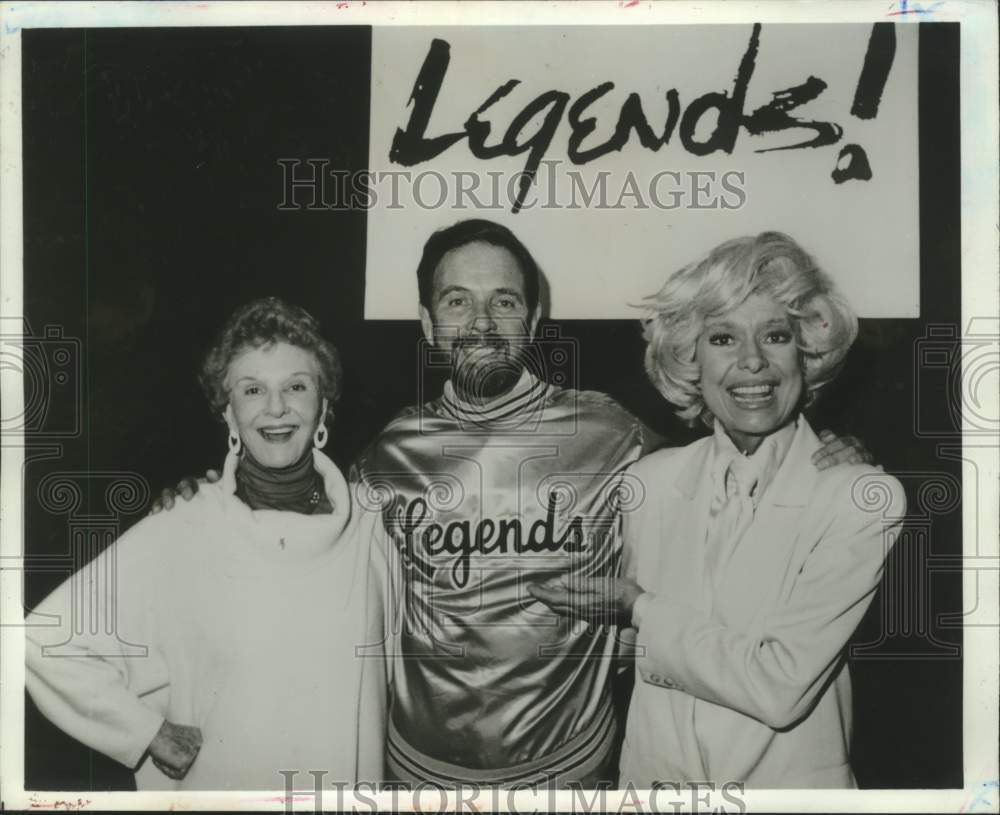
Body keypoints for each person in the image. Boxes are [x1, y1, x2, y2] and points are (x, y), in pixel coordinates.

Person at [153, 220, 872, 787]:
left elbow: (734, 458)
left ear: (533, 318)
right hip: (416, 776)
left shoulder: (611, 431)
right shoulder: (386, 452)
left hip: (574, 773)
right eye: (456, 300)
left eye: (504, 300)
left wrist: (830, 453)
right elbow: (296, 546)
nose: (482, 321)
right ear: (430, 323)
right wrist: (208, 499)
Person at [530, 232, 905, 788]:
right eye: (724, 338)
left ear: (806, 353)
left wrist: (639, 609)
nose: (753, 362)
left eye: (775, 335)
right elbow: (627, 654)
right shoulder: (648, 483)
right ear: (690, 362)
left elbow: (779, 688)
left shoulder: (859, 498)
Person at [25, 297, 386, 790]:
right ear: (228, 412)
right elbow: (44, 638)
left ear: (323, 404)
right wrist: (144, 732)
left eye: (296, 386)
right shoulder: (184, 526)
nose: (276, 407)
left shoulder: (373, 526)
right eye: (252, 389)